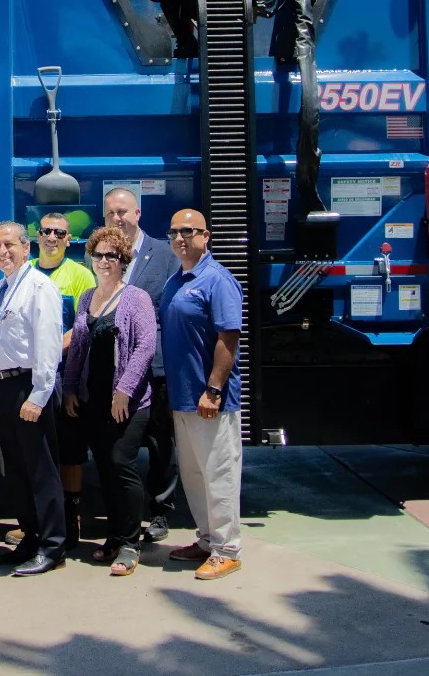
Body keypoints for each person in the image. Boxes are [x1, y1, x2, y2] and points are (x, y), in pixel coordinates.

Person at [61, 226, 157, 576]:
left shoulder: (136, 298)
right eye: (98, 255)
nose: (104, 262)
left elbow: (146, 347)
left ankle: (131, 543)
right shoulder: (87, 298)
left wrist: (125, 390)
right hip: (93, 401)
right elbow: (78, 348)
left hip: (127, 404)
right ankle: (114, 537)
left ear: (123, 261)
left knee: (122, 464)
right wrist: (71, 388)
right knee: (104, 470)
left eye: (111, 256)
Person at [160, 208, 245, 581]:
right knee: (194, 475)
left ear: (205, 236)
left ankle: (228, 549)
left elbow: (228, 337)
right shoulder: (175, 280)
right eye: (175, 232)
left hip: (209, 399)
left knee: (219, 473)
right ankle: (207, 539)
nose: (181, 238)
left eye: (189, 231)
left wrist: (213, 389)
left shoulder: (217, 279)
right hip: (182, 397)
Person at [0, 222, 67, 577]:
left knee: (40, 470)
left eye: (9, 245)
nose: (2, 251)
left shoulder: (39, 288)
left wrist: (38, 395)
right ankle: (30, 537)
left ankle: (52, 546)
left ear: (25, 247)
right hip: (3, 387)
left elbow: (49, 347)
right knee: (16, 471)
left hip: (29, 387)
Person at [103, 186, 179, 543]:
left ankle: (162, 510)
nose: (117, 219)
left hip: (157, 365)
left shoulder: (163, 255)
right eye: (110, 214)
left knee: (161, 441)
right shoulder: (105, 257)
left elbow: (175, 310)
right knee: (120, 445)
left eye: (123, 212)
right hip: (116, 367)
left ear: (138, 214)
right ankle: (122, 513)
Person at [30, 211, 95, 548]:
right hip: (31, 377)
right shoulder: (26, 273)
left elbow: (84, 326)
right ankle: (41, 520)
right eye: (46, 232)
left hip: (66, 375)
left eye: (59, 233)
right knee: (39, 452)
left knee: (70, 451)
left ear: (70, 240)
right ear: (37, 236)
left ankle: (71, 522)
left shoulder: (81, 276)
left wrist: (51, 351)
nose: (52, 238)